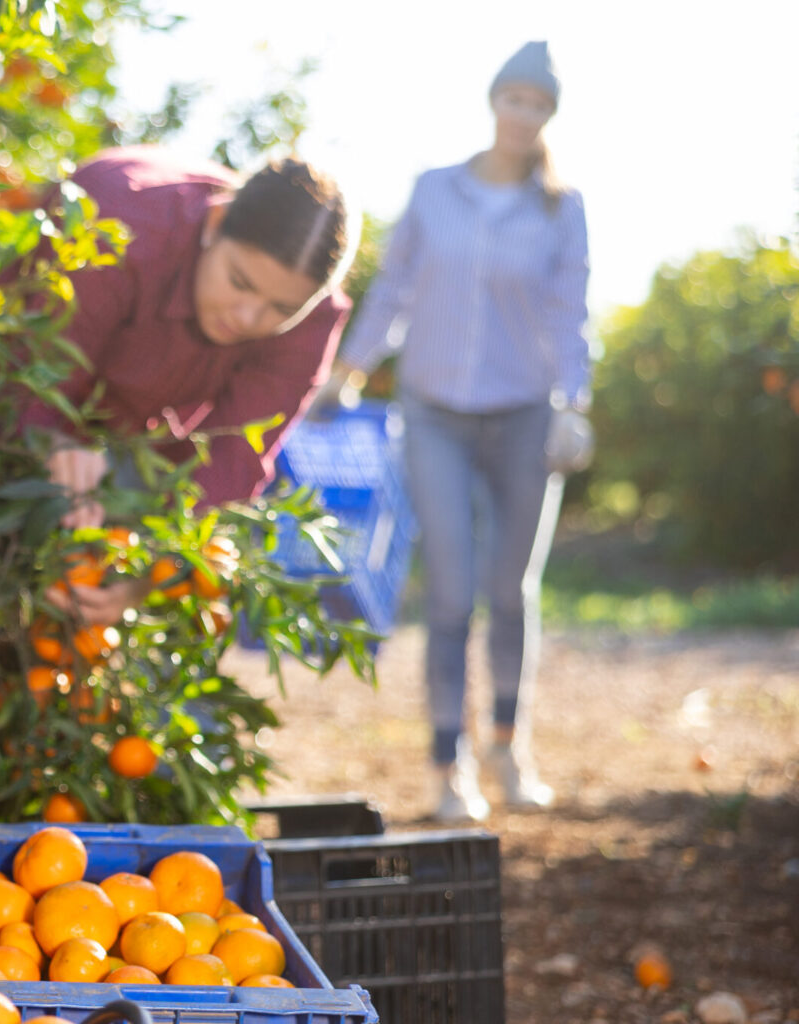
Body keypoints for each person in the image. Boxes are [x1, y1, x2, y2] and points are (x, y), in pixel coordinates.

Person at [324, 41, 591, 823]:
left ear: (548, 115)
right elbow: (394, 289)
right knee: (449, 592)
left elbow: (570, 312)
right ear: (494, 103)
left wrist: (575, 403)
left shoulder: (559, 205)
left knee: (511, 589)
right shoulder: (436, 191)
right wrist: (350, 368)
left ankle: (510, 746)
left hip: (523, 414)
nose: (523, 114)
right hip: (435, 411)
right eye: (513, 99)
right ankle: (450, 766)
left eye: (537, 104)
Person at [22, 147, 359, 625]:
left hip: (138, 442)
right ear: (215, 223)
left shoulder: (314, 320)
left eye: (281, 310)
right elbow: (33, 374)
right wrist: (51, 441)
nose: (248, 318)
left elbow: (233, 460)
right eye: (239, 282)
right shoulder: (118, 221)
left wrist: (151, 574)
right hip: (18, 394)